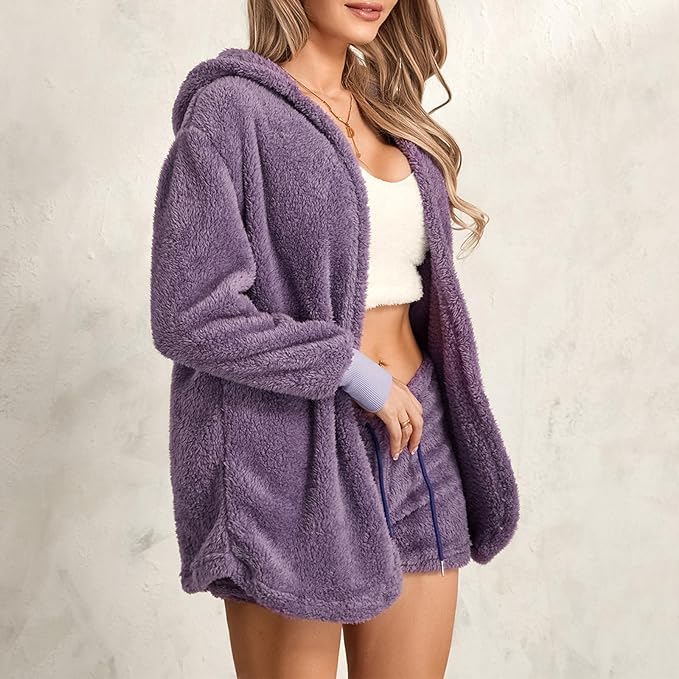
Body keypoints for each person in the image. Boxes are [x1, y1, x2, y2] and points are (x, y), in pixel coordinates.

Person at [150, 1, 520, 677]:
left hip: (420, 437)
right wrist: (352, 372)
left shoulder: (388, 109)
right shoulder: (232, 110)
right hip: (289, 456)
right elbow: (190, 311)